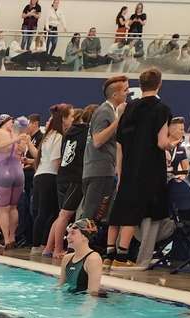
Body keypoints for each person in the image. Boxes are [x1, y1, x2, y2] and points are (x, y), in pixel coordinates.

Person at [108, 67, 172, 269]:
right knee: (134, 212)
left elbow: (119, 144)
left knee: (120, 208)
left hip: (127, 165)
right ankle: (121, 256)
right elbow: (161, 142)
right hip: (149, 168)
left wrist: (120, 170)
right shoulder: (162, 109)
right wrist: (173, 142)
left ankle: (109, 253)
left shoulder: (128, 108)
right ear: (159, 84)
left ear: (140, 85)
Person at [78, 74, 128, 258]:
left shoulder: (109, 111)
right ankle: (79, 250)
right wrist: (118, 121)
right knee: (90, 214)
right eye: (125, 91)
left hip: (102, 170)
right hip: (98, 170)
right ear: (115, 95)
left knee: (96, 214)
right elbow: (98, 140)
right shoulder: (104, 111)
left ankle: (84, 248)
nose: (128, 93)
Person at [31, 103, 69, 252]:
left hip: (40, 174)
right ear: (63, 119)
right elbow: (56, 161)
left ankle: (38, 244)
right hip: (49, 176)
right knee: (49, 213)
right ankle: (40, 244)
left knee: (42, 212)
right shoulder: (58, 136)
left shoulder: (48, 135)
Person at [0, 114, 29, 247]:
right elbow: (22, 150)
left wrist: (14, 140)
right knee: (13, 208)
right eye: (10, 121)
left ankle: (7, 239)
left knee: (4, 209)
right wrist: (17, 139)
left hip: (4, 173)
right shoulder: (20, 135)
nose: (12, 123)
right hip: (18, 173)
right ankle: (12, 237)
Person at [57, 218, 103, 294]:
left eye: (73, 233)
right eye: (68, 233)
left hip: (84, 300)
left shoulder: (93, 259)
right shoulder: (67, 258)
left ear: (85, 236)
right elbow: (61, 286)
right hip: (71, 299)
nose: (68, 237)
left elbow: (93, 293)